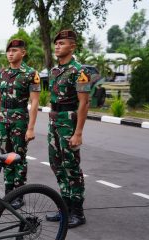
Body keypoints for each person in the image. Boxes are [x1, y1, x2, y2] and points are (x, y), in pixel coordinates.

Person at [45, 30, 91, 228]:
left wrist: (78, 132)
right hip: (54, 120)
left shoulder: (79, 72)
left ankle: (78, 212)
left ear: (72, 47)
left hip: (69, 121)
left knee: (71, 166)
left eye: (61, 43)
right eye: (56, 44)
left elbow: (84, 103)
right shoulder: (55, 71)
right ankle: (65, 207)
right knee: (56, 164)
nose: (57, 47)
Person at [0, 39, 40, 208]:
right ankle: (8, 192)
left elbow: (34, 103)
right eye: (9, 51)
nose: (10, 54)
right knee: (5, 157)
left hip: (20, 120)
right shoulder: (2, 73)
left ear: (23, 53)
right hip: (3, 120)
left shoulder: (31, 74)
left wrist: (31, 128)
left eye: (14, 50)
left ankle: (19, 194)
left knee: (19, 157)